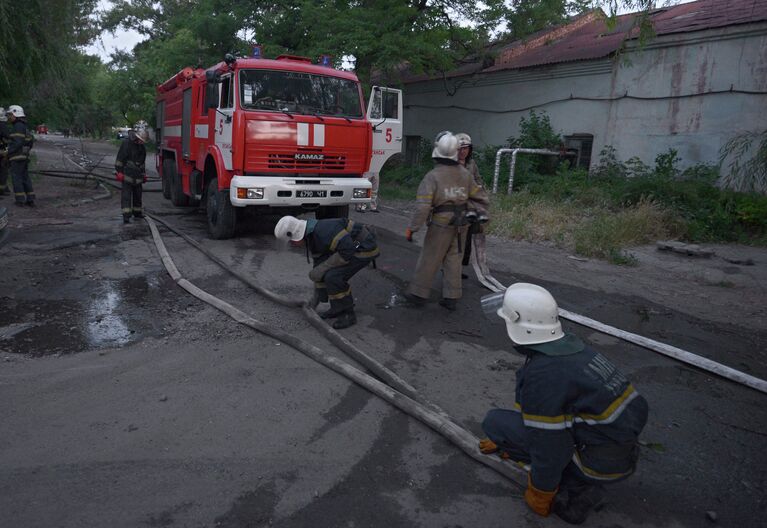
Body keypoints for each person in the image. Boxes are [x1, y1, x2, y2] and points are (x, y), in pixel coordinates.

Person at [480, 283, 649, 525]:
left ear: (521, 327)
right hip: (622, 453)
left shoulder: (545, 374)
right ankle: (582, 475)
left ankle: (576, 487)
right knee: (519, 428)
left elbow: (550, 445)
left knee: (495, 423)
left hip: (598, 463)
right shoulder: (572, 349)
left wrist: (541, 490)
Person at [404, 131, 489, 311]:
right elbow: (481, 198)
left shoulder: (432, 176)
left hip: (441, 224)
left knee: (430, 257)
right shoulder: (466, 175)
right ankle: (451, 297)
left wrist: (413, 228)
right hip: (462, 224)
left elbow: (423, 207)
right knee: (454, 258)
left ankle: (418, 295)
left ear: (437, 152)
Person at [274, 215, 379, 329]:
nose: (292, 245)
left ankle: (348, 314)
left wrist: (324, 268)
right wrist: (315, 300)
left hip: (364, 248)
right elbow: (319, 266)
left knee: (333, 277)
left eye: (291, 242)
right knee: (322, 272)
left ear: (295, 235)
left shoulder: (323, 232)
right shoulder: (312, 236)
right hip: (349, 249)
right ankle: (337, 309)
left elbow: (347, 251)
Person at [455, 133, 489, 274]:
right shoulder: (450, 164)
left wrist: (481, 193)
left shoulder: (471, 164)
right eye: (460, 148)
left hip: (471, 207)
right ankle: (450, 268)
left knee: (468, 239)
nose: (463, 151)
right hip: (456, 207)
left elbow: (478, 180)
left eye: (466, 148)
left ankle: (460, 268)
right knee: (455, 240)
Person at [115, 128, 148, 223]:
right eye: (142, 140)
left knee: (138, 196)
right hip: (127, 175)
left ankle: (137, 213)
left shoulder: (142, 147)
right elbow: (120, 159)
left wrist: (143, 174)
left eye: (143, 141)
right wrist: (119, 172)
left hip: (138, 176)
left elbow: (142, 163)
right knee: (126, 196)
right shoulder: (126, 144)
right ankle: (126, 216)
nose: (143, 142)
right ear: (137, 138)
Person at [6, 105, 35, 207]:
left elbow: (17, 142)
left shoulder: (17, 126)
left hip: (17, 157)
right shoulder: (24, 126)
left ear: (15, 114)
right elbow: (30, 141)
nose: (9, 117)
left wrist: (8, 152)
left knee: (16, 178)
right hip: (24, 157)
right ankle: (30, 199)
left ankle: (20, 200)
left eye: (10, 115)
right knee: (25, 177)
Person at [0, 108, 9, 197]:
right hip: (2, 152)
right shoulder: (2, 125)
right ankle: (2, 190)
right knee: (3, 171)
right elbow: (7, 138)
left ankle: (5, 189)